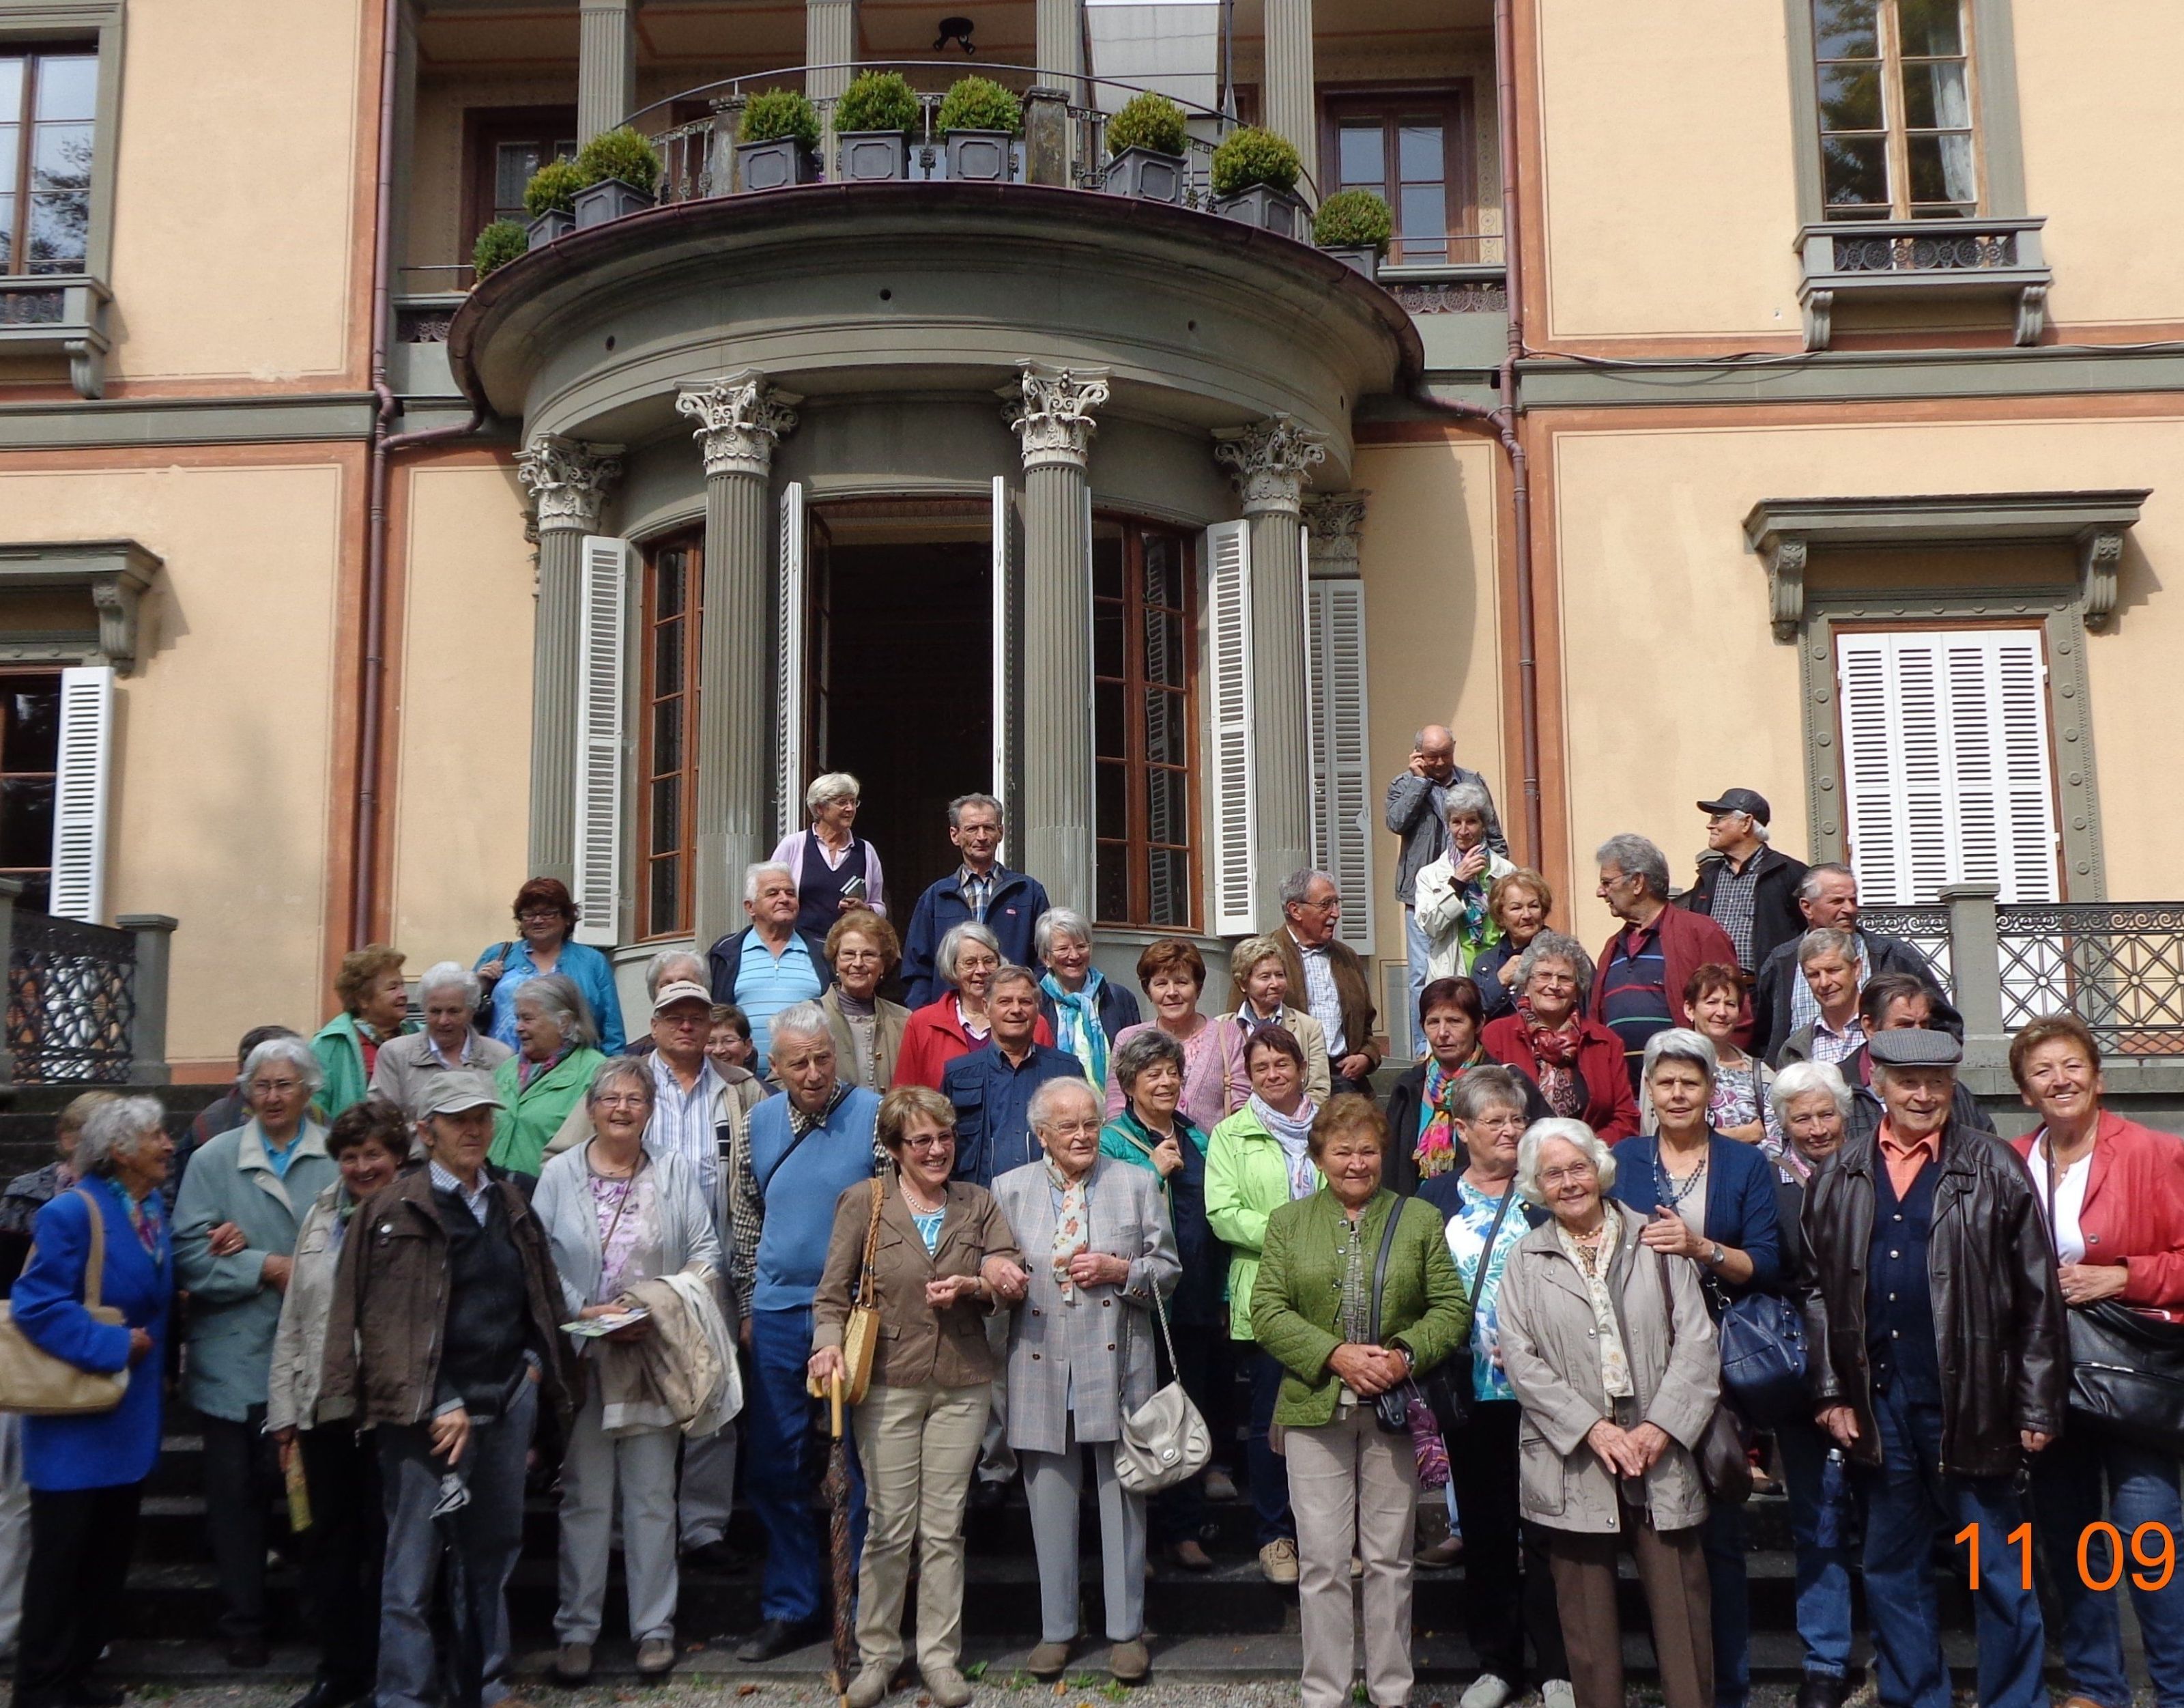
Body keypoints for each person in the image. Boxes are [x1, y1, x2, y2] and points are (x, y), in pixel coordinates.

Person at [1802, 1027, 2064, 1708]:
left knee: (1994, 1566)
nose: (1923, 1095)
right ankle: (1917, 1696)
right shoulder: (1841, 1171)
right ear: (1878, 1086)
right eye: (1908, 1082)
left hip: (1974, 1400)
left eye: (1937, 1082)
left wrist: (2037, 1402)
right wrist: (1830, 1390)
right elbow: (1816, 1290)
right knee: (1892, 1566)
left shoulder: (1992, 1165)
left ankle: (2015, 1699)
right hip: (1878, 1404)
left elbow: (2038, 1293)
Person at [318, 1069, 573, 1708]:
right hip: (423, 1413)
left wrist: (533, 1369)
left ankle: (485, 1683)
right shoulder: (392, 1210)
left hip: (506, 1399)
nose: (474, 1130)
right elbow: (380, 1324)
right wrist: (441, 1399)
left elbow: (537, 1296)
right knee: (413, 1562)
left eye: (482, 1117)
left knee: (493, 1554)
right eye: (459, 1120)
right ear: (426, 1132)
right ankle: (405, 1695)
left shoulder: (510, 1201)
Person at [809, 1085, 1022, 1708]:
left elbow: (1006, 1272)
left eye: (945, 1137)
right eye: (922, 1140)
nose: (936, 1150)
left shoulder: (978, 1201)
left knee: (944, 1527)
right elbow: (832, 1294)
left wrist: (978, 1284)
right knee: (889, 1526)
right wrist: (827, 1346)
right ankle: (878, 1655)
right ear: (895, 1148)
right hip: (887, 1380)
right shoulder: (864, 1202)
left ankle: (939, 1658)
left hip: (962, 1378)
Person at [1252, 1095, 1467, 1708]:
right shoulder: (1289, 1222)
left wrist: (1403, 1356)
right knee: (1322, 1561)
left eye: (1368, 1151)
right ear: (1319, 1158)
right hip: (1312, 1408)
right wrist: (1335, 1354)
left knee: (1390, 1558)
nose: (1356, 1163)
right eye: (1342, 1151)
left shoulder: (1418, 1219)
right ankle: (1325, 1692)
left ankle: (1392, 1690)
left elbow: (1450, 1308)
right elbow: (1266, 1310)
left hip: (1394, 1410)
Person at [1499, 1118, 1720, 1708]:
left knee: (1682, 1615)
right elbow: (1520, 1360)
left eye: (1578, 1168)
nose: (1570, 1182)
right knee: (1588, 1630)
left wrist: (1660, 1427)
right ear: (1536, 1186)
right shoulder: (1524, 1259)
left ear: (1599, 1169)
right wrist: (1593, 1429)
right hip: (1574, 1455)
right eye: (1553, 1174)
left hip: (1659, 1445)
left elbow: (1698, 1343)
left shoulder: (1655, 1239)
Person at [2009, 1014, 2184, 1708]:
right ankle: (2096, 1685)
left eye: (2072, 1065)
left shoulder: (2153, 1153)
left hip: (2131, 1375)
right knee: (2071, 1537)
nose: (2060, 1080)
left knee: (2148, 1539)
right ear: (2024, 1092)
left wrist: (2123, 1276)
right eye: (2042, 1071)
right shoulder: (2010, 1160)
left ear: (2098, 1078)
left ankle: (2174, 1689)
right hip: (2048, 1377)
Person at [1610, 1028, 1786, 1708]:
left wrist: (1700, 1247)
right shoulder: (1623, 1160)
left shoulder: (1744, 1165)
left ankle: (1728, 1688)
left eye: (1691, 1082)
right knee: (1654, 1535)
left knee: (1718, 1535)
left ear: (1712, 1090)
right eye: (1666, 1082)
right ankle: (1677, 1681)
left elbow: (1764, 1263)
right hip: (1635, 1361)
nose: (1678, 1093)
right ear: (1649, 1092)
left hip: (1716, 1364)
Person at [535, 1056, 723, 1684]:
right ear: (590, 1109)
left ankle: (654, 1629)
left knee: (651, 1497)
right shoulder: (559, 1174)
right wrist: (582, 1310)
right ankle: (577, 1632)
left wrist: (657, 1305)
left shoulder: (672, 1170)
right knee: (585, 1498)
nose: (622, 1108)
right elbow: (538, 1259)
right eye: (611, 1098)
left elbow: (705, 1253)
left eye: (635, 1099)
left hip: (651, 1353)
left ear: (650, 1111)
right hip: (583, 1358)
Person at [990, 1077, 1177, 1685]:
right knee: (1048, 1505)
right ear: (1042, 1135)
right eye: (1067, 1126)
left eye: (1090, 1124)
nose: (1081, 1135)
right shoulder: (1008, 1189)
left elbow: (1168, 1271)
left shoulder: (1137, 1182)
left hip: (1117, 1364)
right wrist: (998, 1274)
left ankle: (1126, 1632)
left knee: (1123, 1500)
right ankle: (1058, 1629)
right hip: (1040, 1362)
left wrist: (1122, 1269)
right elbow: (991, 1267)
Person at [173, 1033, 341, 1668]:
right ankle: (243, 1620)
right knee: (236, 1500)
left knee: (316, 1496)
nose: (272, 1097)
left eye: (284, 1085)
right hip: (234, 1357)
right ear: (246, 1092)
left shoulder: (337, 1156)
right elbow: (189, 1256)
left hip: (315, 1357)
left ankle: (320, 1615)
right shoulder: (213, 1159)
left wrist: (293, 1268)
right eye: (261, 1086)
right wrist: (264, 1266)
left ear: (308, 1091)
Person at [723, 1002, 882, 1662]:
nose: (814, 1073)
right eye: (799, 1063)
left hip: (857, 1313)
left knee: (860, 1466)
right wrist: (748, 1307)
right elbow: (745, 1216)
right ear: (775, 1067)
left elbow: (891, 1211)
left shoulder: (872, 1114)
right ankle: (791, 1604)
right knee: (775, 1463)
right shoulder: (758, 1123)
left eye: (822, 1059)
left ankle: (861, 1608)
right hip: (780, 1311)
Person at [1415, 1070, 1571, 1707]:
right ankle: (1497, 1663)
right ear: (1462, 1130)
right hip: (1472, 1393)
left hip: (1548, 1393)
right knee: (1485, 1530)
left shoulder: (1545, 1191)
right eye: (1495, 1121)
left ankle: (1558, 1665)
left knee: (1551, 1531)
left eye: (1517, 1119)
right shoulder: (1434, 1198)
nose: (1510, 1131)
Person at [9, 1097, 171, 1708]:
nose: (169, 1145)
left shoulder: (150, 1207)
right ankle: (39, 1689)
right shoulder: (70, 1212)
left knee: (103, 1561)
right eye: (157, 1136)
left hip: (127, 1417)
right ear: (121, 1151)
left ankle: (74, 1678)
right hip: (75, 1423)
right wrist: (112, 1345)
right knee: (61, 1565)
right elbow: (36, 1306)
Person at [265, 1100, 405, 1708]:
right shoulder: (321, 1213)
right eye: (350, 1156)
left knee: (386, 1546)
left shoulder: (417, 1212)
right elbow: (294, 1318)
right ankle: (338, 1668)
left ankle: (388, 1672)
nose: (362, 1167)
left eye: (373, 1154)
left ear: (397, 1156)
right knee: (328, 1545)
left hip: (391, 1412)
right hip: (322, 1407)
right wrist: (283, 1413)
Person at [1100, 1028, 1222, 1572]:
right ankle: (1138, 1540)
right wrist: (1154, 1171)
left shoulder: (1198, 1137)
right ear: (1130, 1085)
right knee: (1135, 1418)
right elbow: (1109, 1211)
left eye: (1173, 1073)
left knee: (1186, 1410)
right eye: (1154, 1075)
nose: (1167, 1082)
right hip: (1137, 1301)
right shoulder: (1113, 1141)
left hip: (1192, 1297)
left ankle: (1184, 1529)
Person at [1205, 1024, 1320, 1584]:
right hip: (1267, 1292)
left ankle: (1324, 1536)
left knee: (1327, 1421)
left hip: (1330, 1290)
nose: (1273, 1075)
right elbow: (1223, 1213)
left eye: (1282, 1064)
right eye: (1260, 1068)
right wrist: (1294, 1232)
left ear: (1301, 1068)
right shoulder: (1231, 1134)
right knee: (1271, 1419)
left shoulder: (1332, 1125)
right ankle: (1276, 1536)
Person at [637, 980, 745, 1574]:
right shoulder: (624, 1083)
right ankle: (639, 1524)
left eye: (696, 1017)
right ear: (653, 1026)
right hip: (640, 1270)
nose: (685, 1026)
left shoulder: (739, 1087)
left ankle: (703, 1525)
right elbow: (569, 1156)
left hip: (715, 1268)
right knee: (644, 1395)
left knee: (715, 1393)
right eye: (673, 1016)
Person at [1763, 1059, 1857, 1708]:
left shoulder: (1873, 1169)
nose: (1818, 1128)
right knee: (1817, 1517)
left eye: (1827, 1114)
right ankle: (1826, 1657)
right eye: (1803, 1118)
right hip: (1802, 1365)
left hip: (1876, 1364)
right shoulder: (1769, 1180)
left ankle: (1904, 1651)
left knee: (1892, 1517)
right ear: (1784, 1124)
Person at [1386, 725, 1508, 1053]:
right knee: (1422, 974)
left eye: (1446, 755)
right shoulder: (1403, 784)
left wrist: (1502, 876)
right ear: (1418, 755)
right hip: (1425, 891)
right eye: (1432, 756)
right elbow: (1397, 822)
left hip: (1478, 888)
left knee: (1476, 962)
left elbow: (1493, 832)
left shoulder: (1472, 781)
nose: (1440, 762)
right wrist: (1419, 783)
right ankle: (1423, 1049)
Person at [1748, 864, 1942, 1064]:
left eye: (1853, 900)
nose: (1849, 909)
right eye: (1837, 901)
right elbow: (1764, 1037)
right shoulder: (1780, 962)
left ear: (1857, 967)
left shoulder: (1894, 956)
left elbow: (1942, 1023)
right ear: (1807, 907)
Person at [1592, 834, 1741, 1088]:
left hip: (1688, 1091)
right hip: (1627, 1095)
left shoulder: (1700, 933)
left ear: (1637, 882)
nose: (1600, 892)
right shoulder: (1612, 948)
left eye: (1607, 882)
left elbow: (1735, 1016)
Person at [1385, 976, 1548, 1195]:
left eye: (1455, 1021)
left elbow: (1545, 1147)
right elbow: (1391, 1167)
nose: (1443, 1033)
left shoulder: (1507, 1083)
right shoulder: (1408, 1087)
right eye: (1433, 1022)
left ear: (1478, 1024)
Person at [1482, 933, 1640, 1141]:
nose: (1554, 985)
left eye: (1564, 978)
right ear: (1526, 983)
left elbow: (1626, 1117)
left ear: (1578, 989)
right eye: (1544, 975)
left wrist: (1585, 1148)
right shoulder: (1496, 1035)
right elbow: (1485, 1112)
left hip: (1591, 1155)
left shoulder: (1605, 1042)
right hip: (1518, 1155)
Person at [901, 793, 1052, 1008]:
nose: (981, 837)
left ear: (1001, 833)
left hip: (1012, 1013)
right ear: (955, 835)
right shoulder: (936, 898)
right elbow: (917, 969)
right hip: (950, 1018)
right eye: (972, 829)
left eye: (988, 828)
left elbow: (1045, 961)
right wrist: (926, 1017)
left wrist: (1030, 1006)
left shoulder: (1028, 892)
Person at [944, 964, 1084, 1188]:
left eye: (1025, 1002)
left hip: (1051, 1198)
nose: (1016, 1009)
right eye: (1005, 1002)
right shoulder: (959, 1074)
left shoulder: (1066, 1070)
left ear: (1038, 1009)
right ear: (986, 1008)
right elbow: (944, 1143)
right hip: (979, 1199)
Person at [1833, 971, 1993, 1142]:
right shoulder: (1837, 1088)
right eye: (1905, 1025)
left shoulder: (1953, 1091)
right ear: (1870, 1027)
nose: (1919, 1034)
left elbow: (1983, 1145)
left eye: (1924, 1024)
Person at [895, 921, 1054, 1092]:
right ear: (953, 968)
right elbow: (904, 1095)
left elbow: (1051, 1088)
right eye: (970, 963)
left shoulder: (1031, 1022)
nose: (981, 970)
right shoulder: (922, 1024)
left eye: (989, 961)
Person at [705, 862, 833, 1074]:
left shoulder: (823, 952)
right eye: (773, 893)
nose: (784, 899)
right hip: (738, 1080)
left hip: (806, 1080)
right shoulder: (725, 953)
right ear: (750, 907)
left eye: (790, 893)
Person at [476, 875, 627, 1055]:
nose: (538, 920)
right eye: (529, 914)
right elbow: (462, 1013)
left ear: (567, 918)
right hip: (502, 1065)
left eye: (548, 913)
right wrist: (479, 986)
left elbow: (612, 1029)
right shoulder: (498, 955)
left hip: (576, 1069)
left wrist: (612, 1068)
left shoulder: (592, 962)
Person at [487, 972, 607, 1178]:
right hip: (496, 1191)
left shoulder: (596, 1073)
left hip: (552, 1192)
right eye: (517, 1018)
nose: (518, 1028)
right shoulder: (506, 1069)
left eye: (528, 1019)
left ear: (563, 1022)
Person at [1104, 937, 1228, 1133]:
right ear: (1148, 990)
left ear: (1198, 987)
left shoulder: (1226, 1035)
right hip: (1144, 1150)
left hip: (1214, 1151)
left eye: (1182, 982)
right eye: (1161, 984)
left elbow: (1241, 1107)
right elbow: (1116, 1112)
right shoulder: (1128, 1039)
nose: (1172, 992)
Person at [1274, 868, 1380, 1096]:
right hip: (1289, 1083)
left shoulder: (1347, 958)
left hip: (1344, 1079)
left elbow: (1366, 1024)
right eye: (1326, 905)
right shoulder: (1266, 955)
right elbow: (1240, 1026)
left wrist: (1366, 1056)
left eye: (1336, 903)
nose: (1336, 913)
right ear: (1295, 910)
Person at [369, 961, 513, 1127]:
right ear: (424, 1010)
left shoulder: (501, 1056)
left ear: (472, 1012)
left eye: (453, 1011)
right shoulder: (395, 1055)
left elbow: (506, 1123)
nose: (443, 1021)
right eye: (435, 1011)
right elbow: (381, 1125)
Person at [1684, 788, 1809, 976]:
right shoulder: (1708, 876)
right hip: (1715, 987)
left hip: (1765, 988)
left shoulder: (1789, 873)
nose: (1710, 826)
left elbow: (1810, 932)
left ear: (1746, 823)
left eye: (1718, 818)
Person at [173, 1025, 302, 1203]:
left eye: (284, 1082)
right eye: (264, 1082)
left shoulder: (316, 1119)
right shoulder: (212, 1125)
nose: (273, 1096)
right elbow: (186, 1201)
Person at [0, 1091, 112, 1289]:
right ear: (68, 1139)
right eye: (107, 1135)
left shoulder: (140, 1195)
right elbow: (7, 1273)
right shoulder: (26, 1194)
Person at [1415, 782, 1519, 982]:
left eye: (1471, 822)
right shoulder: (1429, 875)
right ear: (1448, 825)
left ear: (1484, 825)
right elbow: (1431, 928)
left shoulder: (1506, 871)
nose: (1463, 831)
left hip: (1499, 970)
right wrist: (1457, 882)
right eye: (1456, 822)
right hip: (1452, 975)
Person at [1221, 933, 1333, 1110]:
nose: (1275, 984)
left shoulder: (1309, 1027)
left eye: (1280, 975)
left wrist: (1290, 1118)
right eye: (1265, 977)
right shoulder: (1221, 1028)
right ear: (1243, 984)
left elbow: (1319, 1089)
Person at [1035, 907, 1140, 1090]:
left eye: (1081, 946)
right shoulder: (1036, 1003)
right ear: (1046, 958)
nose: (1074, 956)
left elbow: (1137, 1061)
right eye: (1063, 949)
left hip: (1112, 1106)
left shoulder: (1118, 999)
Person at [773, 770, 888, 937]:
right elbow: (771, 896)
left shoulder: (866, 851)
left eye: (853, 802)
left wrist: (866, 909)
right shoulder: (794, 845)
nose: (850, 809)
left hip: (849, 947)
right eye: (842, 802)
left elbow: (879, 905)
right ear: (820, 808)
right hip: (799, 945)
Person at [1678, 963, 1776, 1148]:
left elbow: (1776, 1142)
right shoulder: (1667, 1068)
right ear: (1690, 1009)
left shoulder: (1760, 1074)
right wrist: (1744, 1134)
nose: (1722, 1012)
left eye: (1730, 1004)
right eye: (1712, 1002)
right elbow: (1665, 1138)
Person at [311, 943, 412, 1120]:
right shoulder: (329, 1044)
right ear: (363, 999)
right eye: (393, 988)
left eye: (403, 986)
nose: (404, 994)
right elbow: (315, 1112)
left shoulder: (420, 1035)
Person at [822, 909, 911, 1092]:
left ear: (883, 965)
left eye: (868, 955)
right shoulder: (809, 1016)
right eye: (848, 954)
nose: (858, 963)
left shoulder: (904, 1020)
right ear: (836, 962)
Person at [1773, 928, 1865, 1068]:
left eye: (1833, 970)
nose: (1824, 983)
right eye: (1814, 975)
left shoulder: (1885, 1029)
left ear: (1856, 969)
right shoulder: (1793, 1050)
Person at [1471, 868, 1553, 1024]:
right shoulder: (1485, 964)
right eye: (1516, 908)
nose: (1527, 915)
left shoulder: (1567, 955)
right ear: (1500, 916)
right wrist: (1500, 981)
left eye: (1534, 906)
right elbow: (1473, 1017)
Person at [708, 1003, 758, 1078]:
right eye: (710, 1042)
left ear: (747, 1046)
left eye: (729, 1041)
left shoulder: (759, 1086)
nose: (718, 1050)